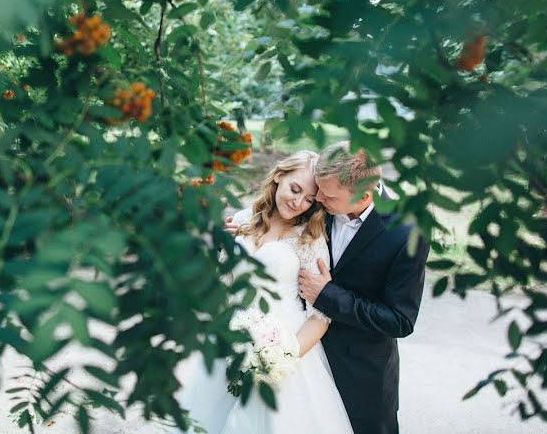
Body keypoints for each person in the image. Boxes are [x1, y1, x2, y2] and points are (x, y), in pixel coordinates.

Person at [176, 150, 354, 434]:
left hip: (283, 348)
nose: (298, 203)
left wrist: (281, 359)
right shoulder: (244, 218)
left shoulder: (311, 237)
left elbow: (320, 315)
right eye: (294, 189)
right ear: (279, 176)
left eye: (309, 199)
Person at [297, 141, 430, 434]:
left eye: (327, 195)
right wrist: (242, 227)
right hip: (304, 363)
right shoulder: (319, 202)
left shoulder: (408, 233)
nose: (316, 198)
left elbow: (400, 320)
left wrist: (328, 295)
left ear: (363, 196)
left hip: (361, 374)